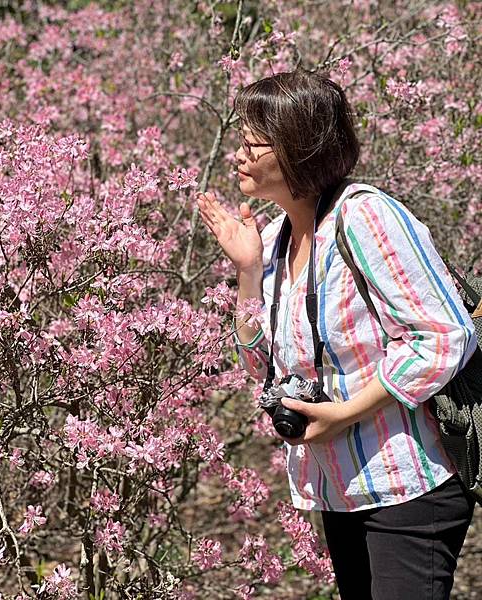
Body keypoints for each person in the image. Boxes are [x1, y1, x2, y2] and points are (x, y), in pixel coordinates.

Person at [196, 68, 477, 600]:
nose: (239, 154)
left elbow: (444, 335)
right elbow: (263, 368)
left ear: (299, 149)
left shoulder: (367, 217)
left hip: (407, 485)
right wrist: (249, 272)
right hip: (341, 486)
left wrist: (345, 412)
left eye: (254, 142)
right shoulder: (276, 238)